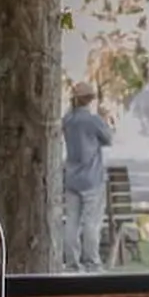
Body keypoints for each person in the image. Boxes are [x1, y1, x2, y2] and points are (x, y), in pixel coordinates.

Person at [61, 81, 113, 272]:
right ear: (90, 99)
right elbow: (109, 138)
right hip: (92, 178)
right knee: (92, 222)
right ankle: (92, 261)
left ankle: (72, 263)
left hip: (72, 178)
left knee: (72, 221)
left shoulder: (67, 120)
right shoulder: (93, 120)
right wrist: (105, 118)